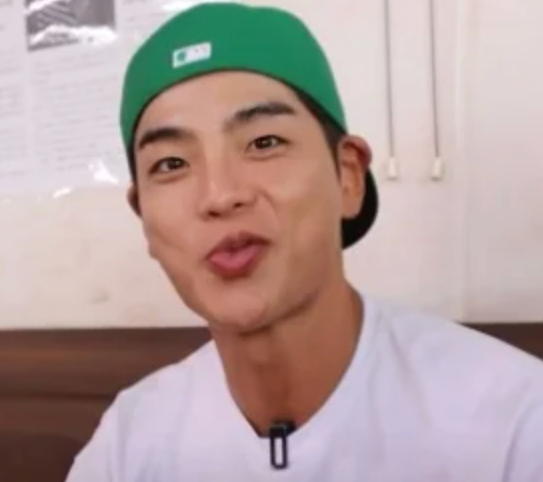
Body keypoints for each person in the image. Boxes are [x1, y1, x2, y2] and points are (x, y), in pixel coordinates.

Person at [66, 3, 543, 481]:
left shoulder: (514, 422)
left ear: (348, 176)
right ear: (144, 219)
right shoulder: (129, 442)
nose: (220, 195)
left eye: (264, 142)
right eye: (171, 164)